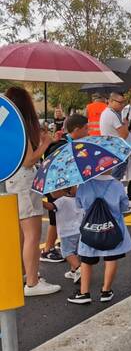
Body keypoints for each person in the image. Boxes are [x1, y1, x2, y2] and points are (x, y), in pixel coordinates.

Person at [5, 87, 61, 296]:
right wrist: (45, 144)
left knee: (21, 233)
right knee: (32, 234)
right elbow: (28, 161)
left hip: (13, 182)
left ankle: (23, 274)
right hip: (25, 182)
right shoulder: (20, 127)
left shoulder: (8, 126)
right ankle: (33, 283)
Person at [68, 169, 131, 305]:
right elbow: (124, 206)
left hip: (90, 228)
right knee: (111, 257)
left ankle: (84, 293)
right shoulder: (117, 185)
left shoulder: (84, 184)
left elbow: (79, 204)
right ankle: (106, 291)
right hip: (112, 228)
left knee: (86, 259)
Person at [41, 114, 90, 263]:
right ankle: (48, 250)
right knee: (55, 218)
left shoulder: (70, 142)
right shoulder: (61, 145)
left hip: (66, 188)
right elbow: (52, 169)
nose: (88, 131)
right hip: (57, 188)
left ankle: (56, 247)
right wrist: (66, 190)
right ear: (76, 129)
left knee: (60, 218)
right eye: (86, 128)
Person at [47, 187, 84, 284]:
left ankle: (79, 269)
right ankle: (73, 272)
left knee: (67, 253)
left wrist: (40, 202)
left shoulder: (62, 200)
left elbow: (51, 207)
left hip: (67, 232)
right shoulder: (80, 199)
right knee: (76, 253)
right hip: (80, 231)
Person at [100, 92, 129, 180]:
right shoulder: (112, 115)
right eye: (120, 102)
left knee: (112, 177)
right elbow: (124, 135)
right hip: (116, 149)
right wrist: (126, 125)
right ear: (111, 101)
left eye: (123, 102)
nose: (122, 105)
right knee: (114, 179)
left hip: (110, 147)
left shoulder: (108, 112)